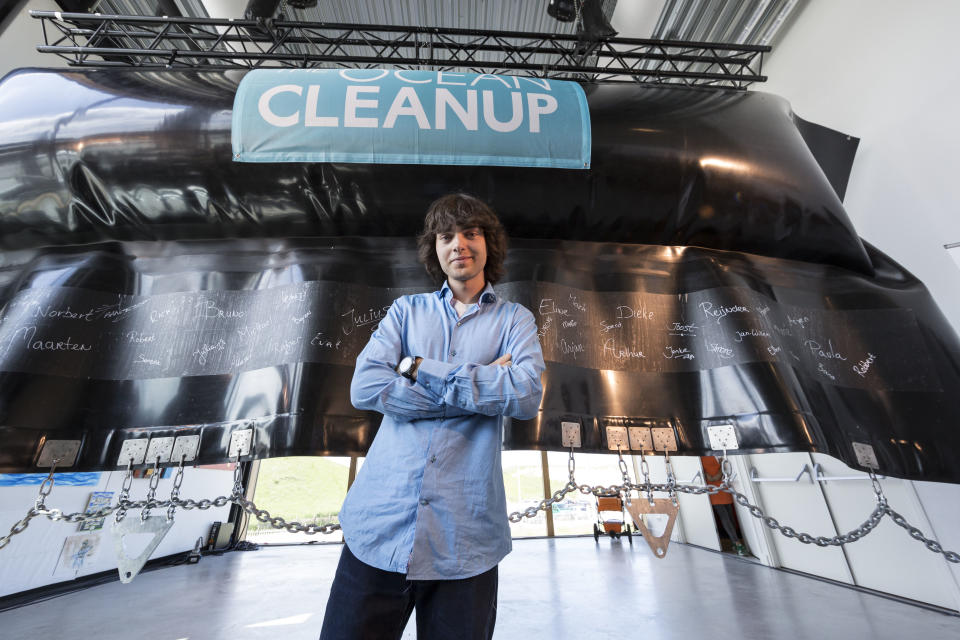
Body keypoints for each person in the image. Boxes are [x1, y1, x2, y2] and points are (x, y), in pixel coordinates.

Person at [319, 193, 546, 640]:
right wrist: (477, 384)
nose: (458, 244)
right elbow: (365, 387)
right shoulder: (406, 311)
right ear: (435, 250)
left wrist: (419, 369)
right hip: (379, 528)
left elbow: (525, 395)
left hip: (466, 538)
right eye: (446, 236)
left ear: (488, 244)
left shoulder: (515, 320)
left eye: (470, 233)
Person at [701, 455, 747, 556]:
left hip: (724, 488)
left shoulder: (721, 454)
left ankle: (734, 542)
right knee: (725, 517)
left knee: (730, 517)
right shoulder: (701, 457)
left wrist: (722, 466)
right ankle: (737, 543)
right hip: (713, 489)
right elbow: (712, 478)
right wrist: (722, 468)